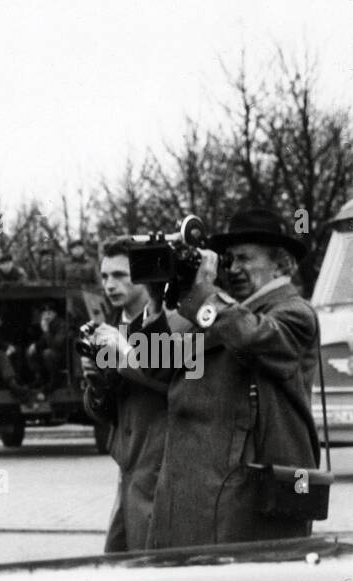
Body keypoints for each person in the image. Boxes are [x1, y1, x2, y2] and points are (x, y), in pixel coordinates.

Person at [148, 206, 321, 547]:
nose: (234, 269)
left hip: (244, 498)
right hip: (194, 497)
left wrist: (203, 296)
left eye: (244, 258)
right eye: (228, 260)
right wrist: (157, 306)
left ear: (281, 264)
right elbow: (156, 363)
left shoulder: (293, 313)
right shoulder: (218, 313)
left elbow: (252, 337)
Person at [81, 239, 184, 551]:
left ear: (143, 276)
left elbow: (179, 386)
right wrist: (95, 382)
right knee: (117, 560)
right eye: (104, 276)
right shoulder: (111, 328)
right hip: (128, 474)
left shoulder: (175, 324)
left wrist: (123, 354)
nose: (110, 285)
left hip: (163, 472)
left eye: (120, 275)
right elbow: (105, 413)